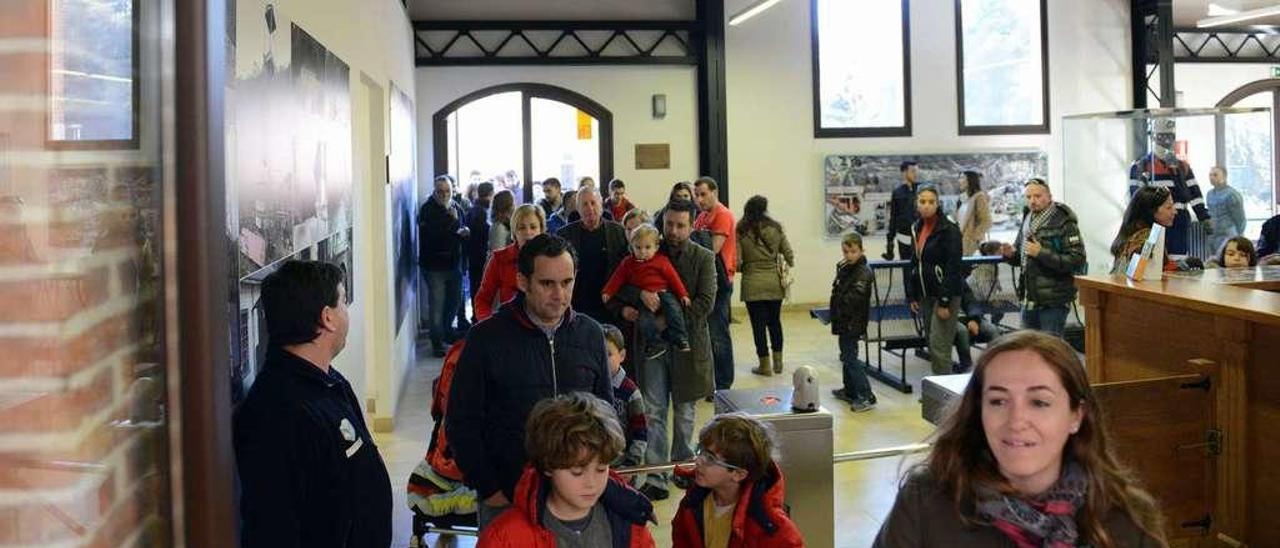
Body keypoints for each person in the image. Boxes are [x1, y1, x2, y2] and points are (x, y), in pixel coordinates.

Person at [874, 331, 1168, 547]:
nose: (1016, 421)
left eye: (1039, 402)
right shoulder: (926, 502)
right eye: (998, 401)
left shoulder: (1127, 519)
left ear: (1076, 416)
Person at [447, 234, 615, 530]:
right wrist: (491, 490)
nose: (560, 295)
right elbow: (462, 423)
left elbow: (606, 413)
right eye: (547, 284)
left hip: (575, 501)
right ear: (523, 282)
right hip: (507, 497)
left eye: (567, 282)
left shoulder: (590, 334)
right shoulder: (486, 339)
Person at [233, 261, 391, 547]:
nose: (347, 312)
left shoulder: (329, 381)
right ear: (327, 317)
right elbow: (277, 527)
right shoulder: (276, 413)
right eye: (344, 301)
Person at [478, 392, 656, 548]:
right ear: (548, 465)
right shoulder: (504, 538)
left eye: (601, 469)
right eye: (577, 472)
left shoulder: (632, 525)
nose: (591, 483)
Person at [632, 199, 717, 502]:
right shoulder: (648, 249)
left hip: (688, 346)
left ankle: (682, 467)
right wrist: (640, 294)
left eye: (680, 225)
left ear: (692, 225)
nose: (674, 231)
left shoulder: (704, 258)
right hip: (653, 346)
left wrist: (668, 318)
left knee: (684, 411)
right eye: (669, 224)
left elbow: (706, 303)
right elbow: (624, 281)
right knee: (654, 410)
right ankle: (656, 473)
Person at [670, 414, 804, 548]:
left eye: (710, 458)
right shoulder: (693, 501)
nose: (698, 461)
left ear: (738, 474)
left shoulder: (770, 526)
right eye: (701, 451)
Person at [1001, 178, 1086, 338]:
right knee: (1028, 348)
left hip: (1053, 300)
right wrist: (1011, 255)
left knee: (1050, 350)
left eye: (1038, 196)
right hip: (1028, 298)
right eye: (1029, 197)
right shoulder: (1027, 218)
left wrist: (1041, 253)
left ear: (1049, 196)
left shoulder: (1063, 221)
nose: (1032, 201)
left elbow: (1077, 260)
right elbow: (1023, 256)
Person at [602, 223, 692, 352]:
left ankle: (680, 338)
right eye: (638, 247)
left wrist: (683, 294)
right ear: (631, 247)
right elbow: (617, 278)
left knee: (674, 310)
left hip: (663, 293)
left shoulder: (661, 260)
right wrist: (608, 291)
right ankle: (655, 343)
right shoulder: (628, 263)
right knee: (644, 320)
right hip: (642, 300)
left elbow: (674, 279)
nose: (643, 251)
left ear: (656, 247)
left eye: (647, 247)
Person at [905, 186, 964, 376]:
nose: (926, 206)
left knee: (940, 345)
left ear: (938, 204)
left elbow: (953, 267)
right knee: (932, 343)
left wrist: (945, 301)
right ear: (917, 203)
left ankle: (944, 396)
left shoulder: (949, 229)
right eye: (922, 201)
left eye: (931, 202)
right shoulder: (916, 227)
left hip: (944, 295)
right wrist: (912, 294)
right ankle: (939, 389)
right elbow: (915, 262)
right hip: (926, 295)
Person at [736, 195, 794, 377]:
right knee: (775, 322)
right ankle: (778, 363)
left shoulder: (741, 230)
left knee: (758, 326)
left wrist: (747, 266)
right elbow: (789, 256)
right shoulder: (776, 228)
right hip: (774, 284)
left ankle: (765, 365)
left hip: (752, 284)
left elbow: (738, 262)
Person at [558, 187, 630, 324]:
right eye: (584, 204)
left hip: (611, 304)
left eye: (593, 203)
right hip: (577, 304)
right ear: (578, 209)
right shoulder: (564, 235)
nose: (590, 208)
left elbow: (627, 269)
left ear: (601, 205)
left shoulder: (618, 232)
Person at [693, 176, 737, 392]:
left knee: (719, 335)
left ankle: (723, 383)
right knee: (707, 336)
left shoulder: (722, 215)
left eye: (703, 194)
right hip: (705, 282)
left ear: (714, 192)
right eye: (697, 195)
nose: (699, 199)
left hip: (720, 282)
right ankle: (710, 380)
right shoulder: (701, 217)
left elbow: (712, 249)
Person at [420, 174, 470, 357]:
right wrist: (455, 224)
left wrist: (464, 231)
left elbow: (460, 228)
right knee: (437, 306)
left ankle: (446, 332)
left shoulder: (455, 206)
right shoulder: (427, 210)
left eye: (447, 191)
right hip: (434, 267)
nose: (444, 194)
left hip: (454, 264)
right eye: (440, 191)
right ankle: (437, 342)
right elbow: (435, 237)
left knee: (455, 302)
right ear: (434, 191)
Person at [829, 232, 877, 412]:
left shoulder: (863, 272)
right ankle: (850, 390)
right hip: (843, 320)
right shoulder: (845, 268)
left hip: (853, 322)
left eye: (853, 251)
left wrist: (840, 306)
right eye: (845, 251)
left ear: (861, 250)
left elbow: (855, 298)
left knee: (850, 358)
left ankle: (866, 395)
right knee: (846, 355)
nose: (849, 255)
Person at [474, 204, 545, 320]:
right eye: (521, 228)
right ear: (514, 232)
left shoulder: (552, 258)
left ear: (541, 230)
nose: (528, 233)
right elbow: (482, 299)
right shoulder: (499, 259)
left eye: (533, 227)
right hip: (508, 327)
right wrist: (488, 325)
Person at [602, 324, 649, 467]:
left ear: (622, 355)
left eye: (608, 354)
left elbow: (640, 431)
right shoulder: (590, 385)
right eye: (599, 353)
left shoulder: (631, 392)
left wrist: (632, 462)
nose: (603, 360)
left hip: (622, 466)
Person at [1110, 185, 1177, 275]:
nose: (1174, 211)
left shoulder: (1132, 232)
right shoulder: (1148, 236)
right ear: (1151, 211)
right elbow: (1138, 273)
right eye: (1169, 207)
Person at [465, 181, 495, 321]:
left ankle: (476, 317)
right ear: (490, 194)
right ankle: (478, 319)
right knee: (479, 289)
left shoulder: (474, 209)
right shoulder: (482, 212)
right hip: (480, 257)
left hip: (473, 255)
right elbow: (483, 235)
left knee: (475, 288)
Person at [1205, 166, 1247, 256]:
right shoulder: (1209, 194)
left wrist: (1238, 237)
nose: (1211, 177)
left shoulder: (1232, 195)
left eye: (1215, 175)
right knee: (1214, 263)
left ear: (1224, 177)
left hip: (1228, 235)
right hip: (1214, 236)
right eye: (1210, 175)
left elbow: (1240, 219)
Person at [884, 161, 920, 261]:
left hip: (920, 236)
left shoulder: (921, 189)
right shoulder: (897, 193)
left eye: (916, 171)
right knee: (906, 266)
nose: (915, 174)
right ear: (904, 173)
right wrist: (890, 244)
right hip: (903, 237)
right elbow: (893, 218)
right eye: (913, 171)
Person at [957, 170, 992, 256]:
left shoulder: (979, 197)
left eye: (962, 178)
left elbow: (986, 221)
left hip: (972, 245)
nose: (959, 181)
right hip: (961, 242)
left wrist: (974, 238)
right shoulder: (963, 199)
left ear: (970, 180)